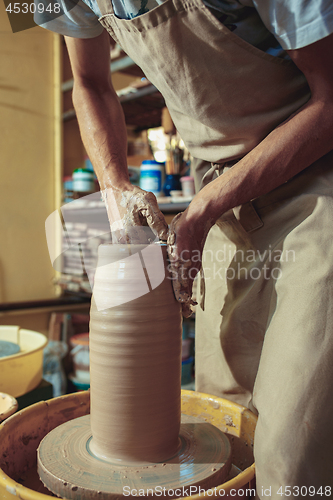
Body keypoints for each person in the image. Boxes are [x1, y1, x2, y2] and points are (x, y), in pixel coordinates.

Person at [38, 1, 333, 497]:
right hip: (217, 199)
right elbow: (88, 83)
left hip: (316, 186)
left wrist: (201, 210)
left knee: (288, 454)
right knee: (224, 434)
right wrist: (115, 191)